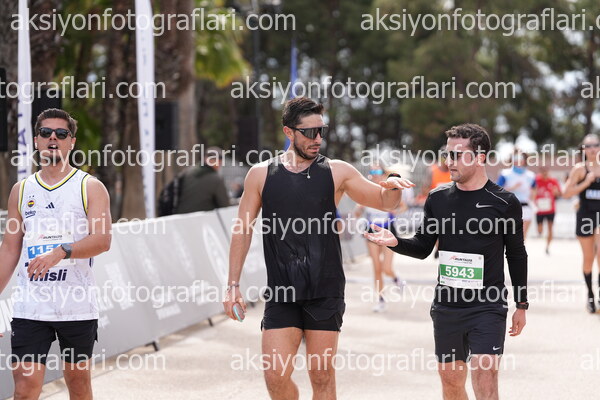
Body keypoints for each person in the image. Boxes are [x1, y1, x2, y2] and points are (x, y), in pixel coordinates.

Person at [222, 97, 414, 400]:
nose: (318, 139)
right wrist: (232, 285)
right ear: (289, 132)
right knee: (275, 376)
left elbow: (383, 201)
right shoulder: (261, 174)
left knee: (322, 376)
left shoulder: (337, 171)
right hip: (282, 291)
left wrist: (392, 186)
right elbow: (242, 229)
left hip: (325, 289)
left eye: (321, 131)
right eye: (309, 132)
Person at [365, 123, 528, 400]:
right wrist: (395, 241)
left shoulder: (504, 202)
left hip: (487, 305)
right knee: (451, 381)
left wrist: (521, 305)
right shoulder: (438, 199)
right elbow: (423, 247)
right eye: (447, 154)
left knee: (485, 373)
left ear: (479, 157)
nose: (449, 161)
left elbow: (516, 254)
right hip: (448, 306)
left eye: (456, 155)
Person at [0, 108, 111, 399]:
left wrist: (62, 251)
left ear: (71, 142)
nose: (53, 138)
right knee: (24, 389)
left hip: (76, 304)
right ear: (36, 140)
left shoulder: (90, 186)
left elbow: (102, 240)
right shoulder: (21, 190)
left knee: (78, 384)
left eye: (61, 134)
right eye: (46, 133)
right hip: (31, 306)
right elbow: (10, 248)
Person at [354, 163, 405, 313]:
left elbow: (403, 206)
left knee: (386, 268)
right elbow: (357, 211)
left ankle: (396, 279)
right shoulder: (366, 191)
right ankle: (381, 299)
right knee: (376, 268)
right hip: (372, 230)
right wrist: (359, 209)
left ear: (383, 174)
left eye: (377, 172)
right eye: (372, 172)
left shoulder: (389, 190)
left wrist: (396, 211)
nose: (374, 175)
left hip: (388, 229)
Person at [563, 133, 600, 313]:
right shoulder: (580, 169)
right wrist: (586, 182)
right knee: (588, 259)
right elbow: (566, 193)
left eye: (596, 145)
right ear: (583, 149)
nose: (592, 149)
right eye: (588, 146)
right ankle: (590, 295)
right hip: (585, 216)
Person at [174, 146, 230, 214]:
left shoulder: (188, 171)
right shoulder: (216, 178)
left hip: (179, 215)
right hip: (202, 218)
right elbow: (224, 204)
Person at [497, 151, 536, 241]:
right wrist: (512, 188)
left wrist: (532, 199)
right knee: (510, 234)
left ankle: (520, 249)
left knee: (522, 234)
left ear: (524, 160)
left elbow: (534, 189)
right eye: (516, 159)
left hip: (525, 206)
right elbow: (498, 190)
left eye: (520, 159)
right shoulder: (505, 174)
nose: (518, 161)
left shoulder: (530, 175)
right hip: (509, 206)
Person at [534, 164, 562, 255]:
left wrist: (556, 192)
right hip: (539, 209)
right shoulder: (536, 180)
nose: (544, 174)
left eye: (546, 172)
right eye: (543, 172)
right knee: (540, 229)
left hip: (550, 209)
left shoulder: (553, 181)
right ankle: (540, 233)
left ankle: (547, 247)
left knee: (550, 228)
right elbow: (531, 191)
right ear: (540, 172)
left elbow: (559, 193)